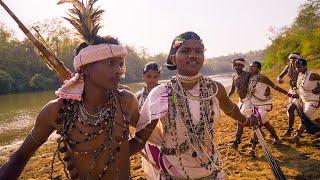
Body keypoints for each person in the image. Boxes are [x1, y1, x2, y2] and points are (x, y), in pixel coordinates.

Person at [0, 1, 140, 179]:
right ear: (85, 69)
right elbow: (18, 158)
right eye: (110, 63)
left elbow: (146, 131)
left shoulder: (126, 101)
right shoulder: (56, 111)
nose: (119, 70)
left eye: (120, 64)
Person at [129, 31, 258, 179]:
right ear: (173, 58)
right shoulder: (162, 93)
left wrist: (246, 120)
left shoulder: (214, 89)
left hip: (210, 169)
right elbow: (139, 140)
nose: (193, 55)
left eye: (198, 51)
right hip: (175, 172)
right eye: (185, 51)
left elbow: (230, 109)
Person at [246, 61, 297, 156]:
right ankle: (277, 139)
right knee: (266, 123)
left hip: (264, 105)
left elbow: (275, 87)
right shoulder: (250, 77)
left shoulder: (262, 78)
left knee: (255, 122)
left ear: (259, 68)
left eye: (254, 67)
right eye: (250, 67)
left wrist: (289, 94)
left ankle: (252, 149)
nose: (251, 68)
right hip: (255, 105)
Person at [134, 61, 161, 180]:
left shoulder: (165, 92)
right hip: (147, 138)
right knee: (154, 166)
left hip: (165, 137)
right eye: (149, 76)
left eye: (155, 77)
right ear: (143, 76)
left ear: (159, 77)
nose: (152, 79)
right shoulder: (138, 96)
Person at [292, 58, 320, 141]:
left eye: (299, 67)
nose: (297, 69)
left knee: (306, 116)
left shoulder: (312, 75)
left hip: (314, 100)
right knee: (315, 119)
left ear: (305, 66)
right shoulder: (300, 75)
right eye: (296, 67)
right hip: (304, 101)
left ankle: (297, 136)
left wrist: (319, 89)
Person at [228, 58, 251, 149]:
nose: (237, 67)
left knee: (240, 120)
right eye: (235, 65)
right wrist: (226, 97)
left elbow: (258, 80)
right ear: (233, 67)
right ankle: (270, 135)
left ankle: (236, 142)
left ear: (242, 66)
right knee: (261, 122)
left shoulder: (248, 74)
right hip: (240, 101)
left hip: (248, 100)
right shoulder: (234, 76)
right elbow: (233, 89)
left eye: (239, 65)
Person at [277, 53, 301, 136]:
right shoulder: (288, 67)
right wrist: (279, 79)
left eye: (294, 58)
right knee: (292, 110)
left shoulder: (301, 67)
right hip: (292, 92)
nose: (292, 60)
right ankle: (290, 129)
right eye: (291, 58)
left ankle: (294, 129)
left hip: (301, 92)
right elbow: (279, 76)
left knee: (297, 111)